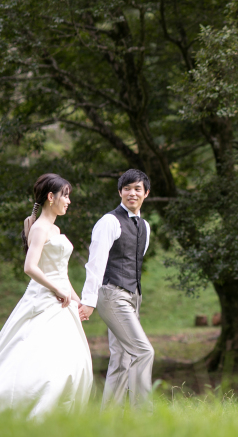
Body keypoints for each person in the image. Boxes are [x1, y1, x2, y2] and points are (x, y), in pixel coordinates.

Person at [0, 174, 93, 417]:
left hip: (60, 301)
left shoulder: (55, 228)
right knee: (36, 356)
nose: (68, 201)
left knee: (69, 358)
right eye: (65, 195)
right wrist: (56, 289)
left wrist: (77, 300)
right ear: (51, 197)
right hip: (44, 300)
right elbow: (30, 267)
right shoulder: (40, 228)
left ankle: (61, 413)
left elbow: (61, 274)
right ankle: (26, 406)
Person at [78, 169, 154, 409]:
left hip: (133, 296)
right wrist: (89, 300)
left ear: (146, 193)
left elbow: (135, 260)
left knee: (121, 359)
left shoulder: (145, 226)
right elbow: (96, 263)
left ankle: (109, 419)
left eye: (137, 189)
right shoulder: (109, 222)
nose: (132, 193)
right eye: (127, 188)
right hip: (112, 294)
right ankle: (144, 415)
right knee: (143, 352)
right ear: (120, 192)